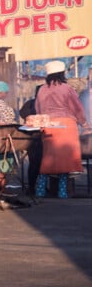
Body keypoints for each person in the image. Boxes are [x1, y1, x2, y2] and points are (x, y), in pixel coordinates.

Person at [34, 60, 89, 198]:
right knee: (65, 160)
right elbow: (77, 108)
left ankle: (39, 191)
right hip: (66, 126)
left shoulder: (41, 89)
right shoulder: (66, 88)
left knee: (47, 159)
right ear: (62, 73)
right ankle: (62, 192)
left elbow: (38, 109)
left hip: (48, 126)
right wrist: (84, 124)